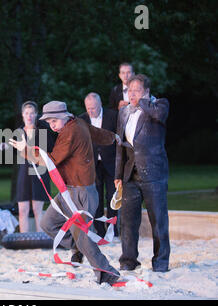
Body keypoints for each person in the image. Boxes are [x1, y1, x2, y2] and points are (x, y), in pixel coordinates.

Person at [9, 101, 122, 285]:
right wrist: (114, 137)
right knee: (48, 223)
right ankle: (77, 247)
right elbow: (98, 134)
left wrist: (25, 151)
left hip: (81, 192)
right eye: (49, 121)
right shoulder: (78, 122)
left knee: (84, 236)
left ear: (63, 116)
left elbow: (51, 161)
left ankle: (107, 273)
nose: (51, 125)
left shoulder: (70, 133)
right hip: (68, 191)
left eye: (54, 121)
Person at [114, 74, 170, 272]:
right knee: (128, 222)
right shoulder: (123, 112)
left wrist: (142, 101)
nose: (132, 94)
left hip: (154, 173)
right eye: (130, 90)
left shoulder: (159, 105)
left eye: (137, 90)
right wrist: (117, 174)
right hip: (130, 174)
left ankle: (161, 262)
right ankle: (128, 261)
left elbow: (159, 116)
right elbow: (119, 145)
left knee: (158, 220)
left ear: (147, 91)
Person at [79, 93, 119, 238]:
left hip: (111, 161)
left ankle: (113, 229)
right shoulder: (81, 119)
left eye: (94, 108)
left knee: (112, 197)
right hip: (92, 164)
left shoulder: (113, 116)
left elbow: (118, 138)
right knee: (96, 198)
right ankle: (100, 231)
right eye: (88, 108)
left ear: (100, 104)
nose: (91, 111)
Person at [15, 101, 56, 232]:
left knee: (37, 209)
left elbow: (49, 152)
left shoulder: (42, 131)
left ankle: (40, 238)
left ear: (36, 115)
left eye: (32, 113)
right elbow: (13, 150)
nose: (29, 116)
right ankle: (23, 239)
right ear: (22, 115)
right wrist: (5, 146)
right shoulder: (19, 132)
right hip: (24, 174)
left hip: (39, 172)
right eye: (26, 113)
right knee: (22, 210)